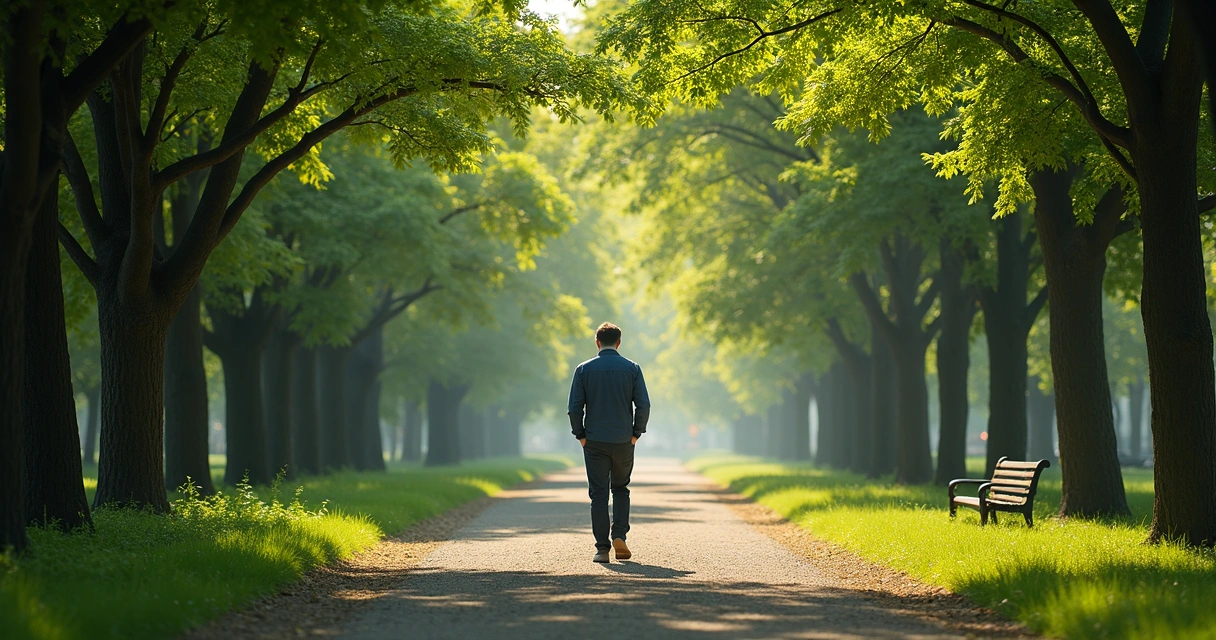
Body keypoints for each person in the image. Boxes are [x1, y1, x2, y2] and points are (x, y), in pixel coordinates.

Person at [567, 322, 651, 563]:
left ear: (597, 342)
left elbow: (574, 408)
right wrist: (636, 433)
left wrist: (580, 435)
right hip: (623, 440)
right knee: (621, 488)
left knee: (599, 494)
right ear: (619, 342)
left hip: (594, 441)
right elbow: (643, 405)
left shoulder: (583, 370)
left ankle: (602, 549)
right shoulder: (632, 369)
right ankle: (620, 536)